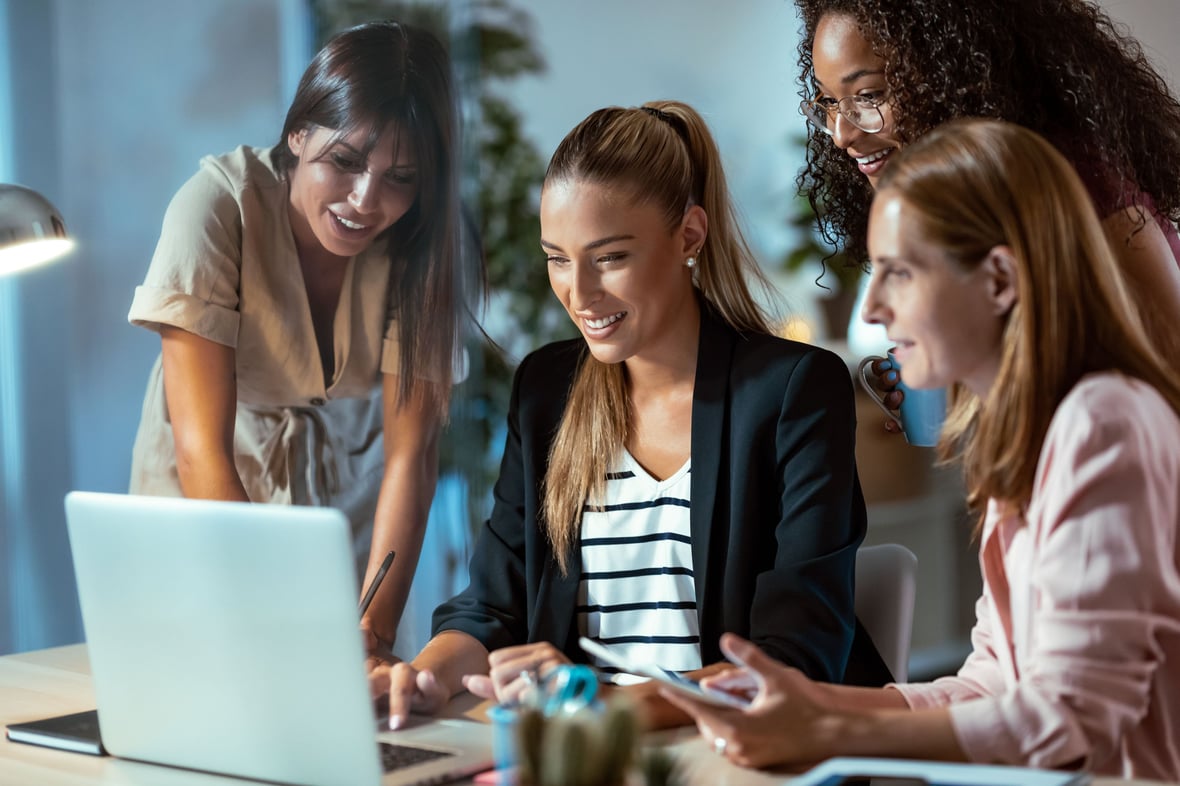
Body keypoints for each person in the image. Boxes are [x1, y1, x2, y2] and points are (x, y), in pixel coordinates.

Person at [663, 119, 1180, 781]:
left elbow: (1068, 716)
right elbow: (996, 682)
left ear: (998, 280)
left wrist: (830, 730)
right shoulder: (1031, 430)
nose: (873, 308)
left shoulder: (1103, 424)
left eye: (898, 273)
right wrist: (810, 701)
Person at [371, 99, 891, 730]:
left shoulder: (791, 392)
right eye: (558, 258)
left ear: (689, 236)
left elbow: (793, 656)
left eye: (610, 257)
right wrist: (423, 679)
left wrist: (603, 703)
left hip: (730, 749)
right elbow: (489, 607)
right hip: (590, 753)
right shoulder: (547, 390)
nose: (579, 293)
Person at [127, 20, 477, 655]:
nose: (366, 200)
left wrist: (373, 630)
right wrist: (276, 616)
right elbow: (200, 448)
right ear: (298, 132)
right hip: (204, 500)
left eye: (400, 177)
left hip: (326, 504)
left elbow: (410, 456)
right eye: (344, 162)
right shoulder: (215, 208)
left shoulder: (423, 245)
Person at [795, 0, 1180, 418]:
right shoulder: (960, 199)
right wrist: (949, 371)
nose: (841, 134)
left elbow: (1167, 373)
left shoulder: (1075, 181)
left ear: (953, 73)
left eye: (869, 96)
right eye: (829, 102)